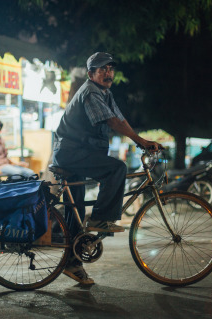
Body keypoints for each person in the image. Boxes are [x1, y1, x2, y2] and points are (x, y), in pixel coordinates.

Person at [52, 52, 162, 284]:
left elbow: (120, 120)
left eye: (110, 69)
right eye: (102, 70)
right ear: (91, 74)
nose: (107, 73)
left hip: (77, 154)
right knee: (116, 169)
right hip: (72, 154)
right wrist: (141, 141)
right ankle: (101, 218)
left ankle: (72, 263)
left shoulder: (105, 94)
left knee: (76, 210)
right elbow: (110, 121)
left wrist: (138, 139)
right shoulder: (91, 92)